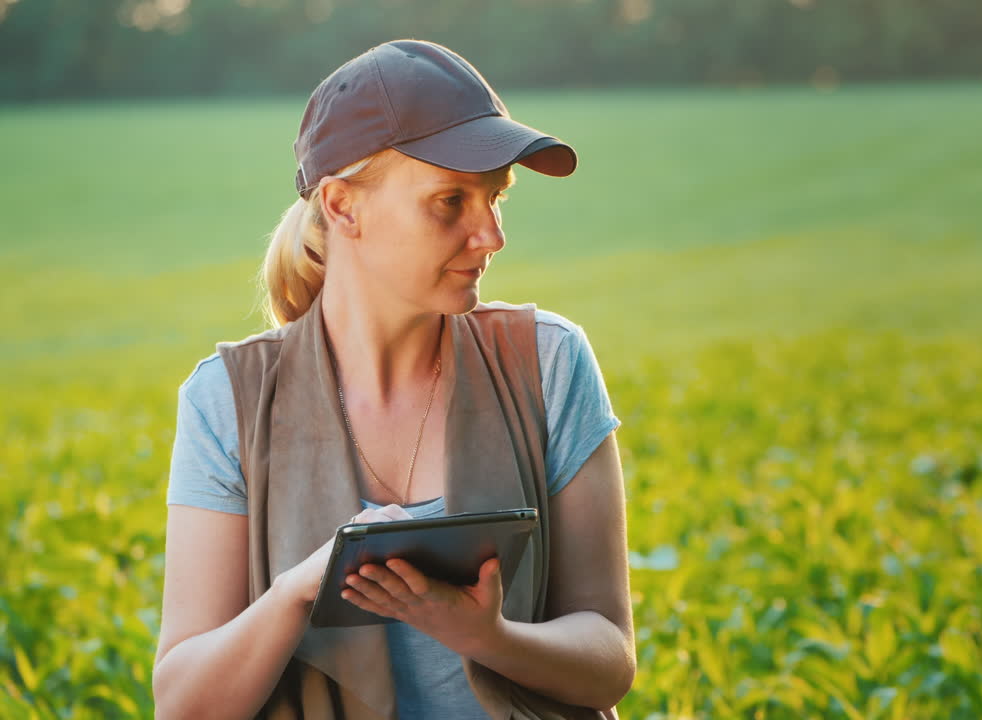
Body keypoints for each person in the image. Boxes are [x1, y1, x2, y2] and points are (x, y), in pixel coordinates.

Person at [151, 39, 635, 720]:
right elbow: (182, 707)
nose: (491, 235)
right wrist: (299, 589)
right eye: (450, 201)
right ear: (343, 207)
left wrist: (489, 638)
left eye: (496, 199)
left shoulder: (548, 363)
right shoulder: (227, 401)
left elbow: (609, 664)